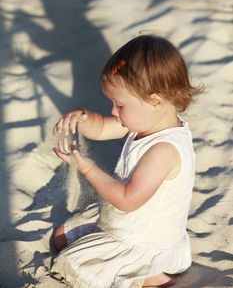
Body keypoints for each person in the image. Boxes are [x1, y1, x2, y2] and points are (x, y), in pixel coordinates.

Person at [51, 35, 203, 288]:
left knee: (75, 264)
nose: (113, 112)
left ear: (155, 99)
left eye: (119, 105)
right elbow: (100, 129)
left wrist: (86, 167)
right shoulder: (144, 123)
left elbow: (127, 200)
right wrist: (82, 117)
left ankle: (149, 276)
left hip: (144, 241)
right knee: (61, 236)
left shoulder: (163, 149)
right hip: (126, 224)